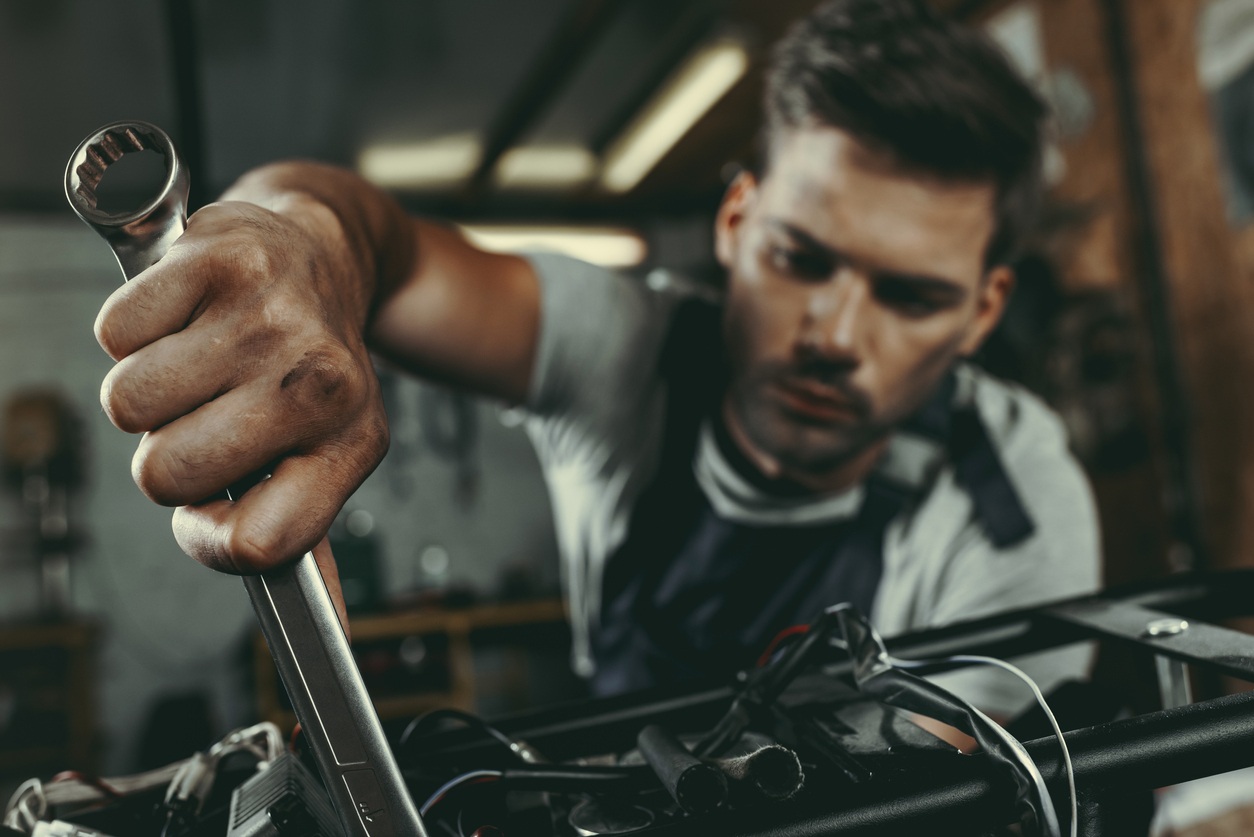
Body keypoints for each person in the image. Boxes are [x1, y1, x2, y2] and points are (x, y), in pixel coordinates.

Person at [93, 0, 1099, 718]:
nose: (835, 335)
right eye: (801, 258)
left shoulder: (1014, 499)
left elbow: (942, 790)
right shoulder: (628, 349)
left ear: (981, 312)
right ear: (738, 221)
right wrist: (303, 255)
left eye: (912, 297)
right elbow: (387, 252)